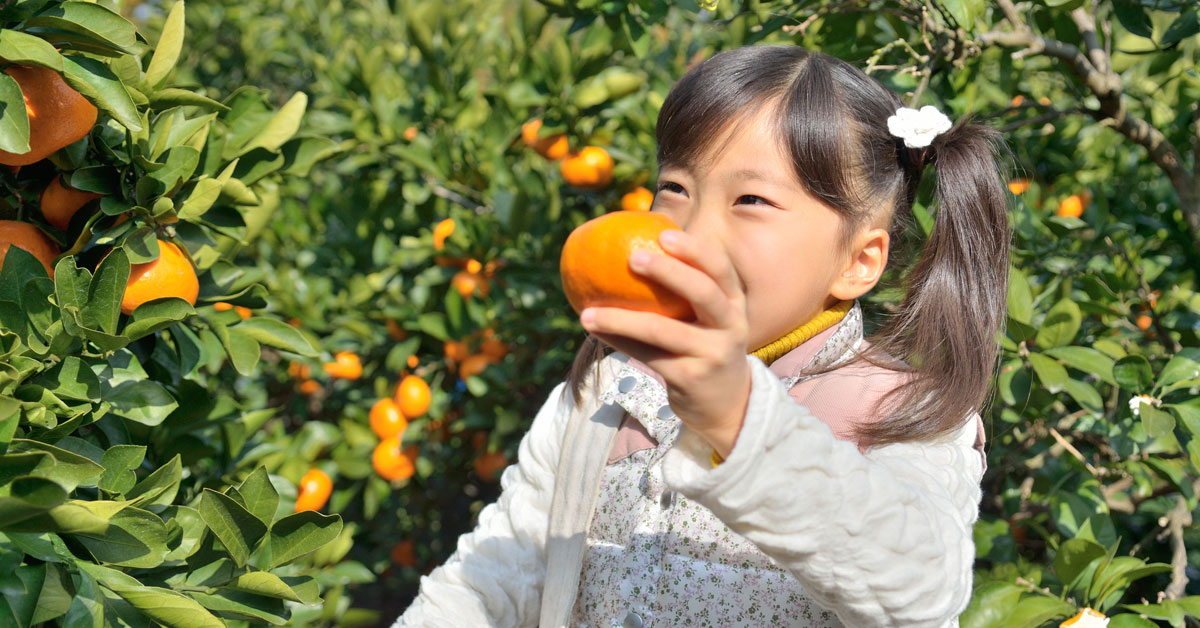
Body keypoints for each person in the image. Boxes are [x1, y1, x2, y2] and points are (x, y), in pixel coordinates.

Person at [394, 44, 1010, 628]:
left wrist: (740, 421)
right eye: (675, 188)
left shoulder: (901, 413)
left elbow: (922, 590)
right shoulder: (612, 390)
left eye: (750, 199)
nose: (694, 230)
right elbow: (490, 578)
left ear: (859, 261)